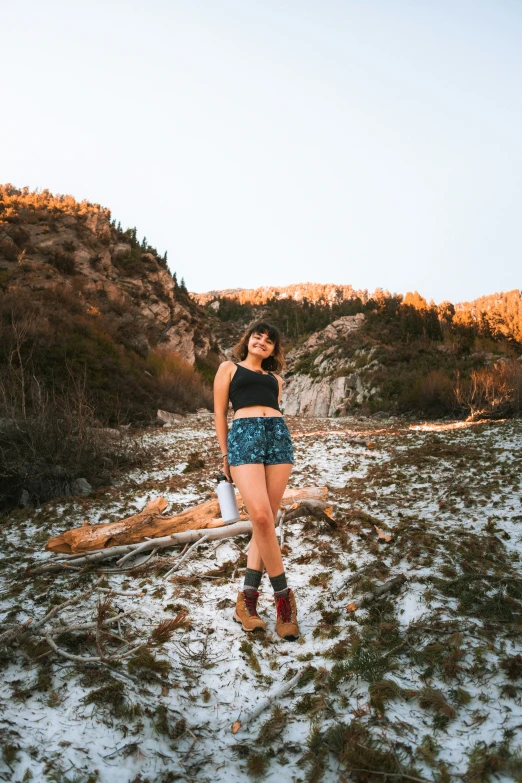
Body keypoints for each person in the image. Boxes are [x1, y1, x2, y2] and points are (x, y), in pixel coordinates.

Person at [213, 320, 300, 641]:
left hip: (278, 438)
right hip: (244, 437)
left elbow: (276, 409)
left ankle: (246, 602)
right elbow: (220, 414)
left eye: (269, 341)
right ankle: (284, 601)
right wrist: (225, 455)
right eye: (257, 336)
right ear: (247, 339)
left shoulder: (275, 380)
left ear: (275, 350)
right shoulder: (228, 369)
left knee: (267, 522)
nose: (262, 341)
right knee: (261, 517)